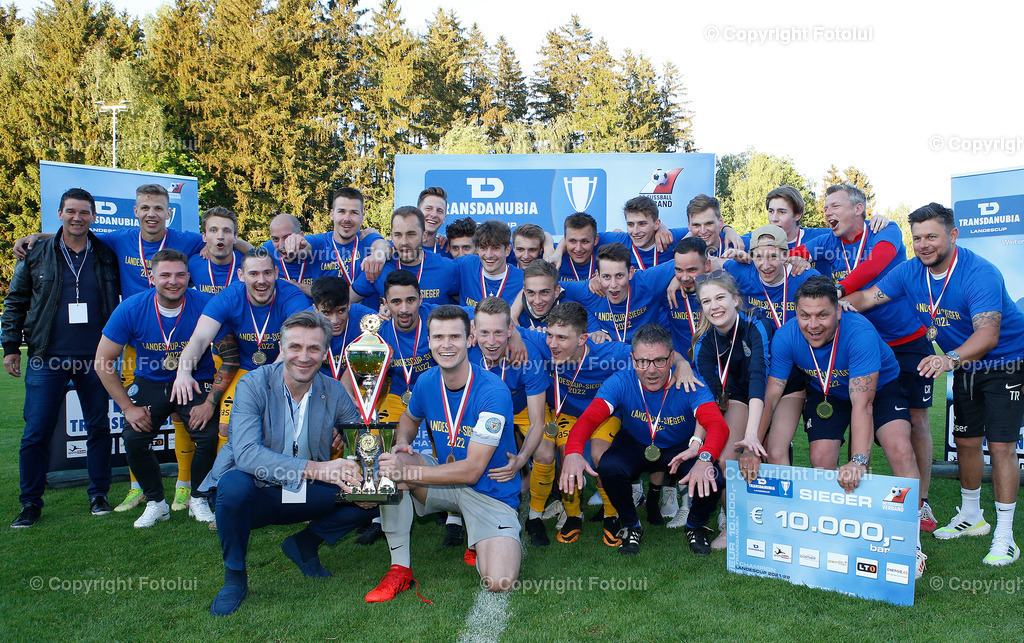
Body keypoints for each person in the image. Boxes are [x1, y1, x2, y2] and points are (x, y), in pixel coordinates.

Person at [845, 202, 1024, 565]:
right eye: (917, 238)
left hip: (1007, 361)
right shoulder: (911, 271)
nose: (923, 244)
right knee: (966, 441)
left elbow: (988, 335)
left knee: (1002, 447)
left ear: (953, 235)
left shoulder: (980, 273)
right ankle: (972, 516)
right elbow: (867, 297)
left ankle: (1005, 536)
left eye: (932, 236)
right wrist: (829, 305)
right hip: (967, 365)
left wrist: (949, 359)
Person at [739, 276, 927, 579]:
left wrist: (859, 460)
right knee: (821, 458)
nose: (813, 324)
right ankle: (836, 531)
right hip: (829, 393)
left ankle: (912, 543)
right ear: (795, 313)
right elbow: (771, 396)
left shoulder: (860, 332)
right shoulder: (786, 336)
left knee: (899, 447)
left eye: (822, 315)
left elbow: (863, 404)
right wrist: (753, 447)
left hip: (880, 391)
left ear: (839, 311)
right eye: (805, 315)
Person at [198, 310, 376, 615]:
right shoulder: (253, 384)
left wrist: (371, 471)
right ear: (281, 349)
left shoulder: (332, 390)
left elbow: (362, 438)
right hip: (254, 493)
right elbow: (247, 455)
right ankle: (235, 578)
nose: (303, 357)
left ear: (324, 353)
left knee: (374, 492)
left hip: (301, 490)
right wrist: (320, 469)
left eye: (313, 348)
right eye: (295, 347)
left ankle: (305, 545)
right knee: (233, 484)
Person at [793, 184, 937, 531]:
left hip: (906, 342)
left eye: (835, 206)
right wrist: (733, 238)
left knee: (914, 421)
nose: (827, 212)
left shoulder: (885, 230)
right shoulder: (826, 243)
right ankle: (856, 491)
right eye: (825, 207)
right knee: (858, 404)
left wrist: (838, 291)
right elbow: (791, 250)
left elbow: (876, 265)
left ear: (859, 209)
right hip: (857, 347)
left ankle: (921, 503)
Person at [369, 305, 521, 599]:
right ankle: (400, 569)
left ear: (470, 338)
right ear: (429, 340)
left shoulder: (493, 391)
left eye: (455, 336)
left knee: (500, 581)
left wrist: (409, 472)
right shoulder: (426, 381)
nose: (446, 345)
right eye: (439, 337)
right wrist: (402, 441)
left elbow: (473, 469)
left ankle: (479, 540)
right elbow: (409, 418)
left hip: (490, 493)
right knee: (393, 463)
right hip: (446, 484)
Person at [3, 188, 120, 527]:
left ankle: (98, 494)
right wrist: (11, 346)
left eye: (84, 212)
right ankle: (30, 502)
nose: (77, 217)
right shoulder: (36, 253)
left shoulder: (106, 253)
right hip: (46, 357)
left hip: (95, 359)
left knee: (99, 428)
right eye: (71, 211)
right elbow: (15, 302)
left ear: (94, 216)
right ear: (60, 213)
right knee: (36, 431)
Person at [559, 323, 729, 555]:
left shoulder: (690, 382)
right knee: (608, 465)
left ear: (671, 359)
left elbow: (717, 424)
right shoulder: (621, 380)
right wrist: (573, 452)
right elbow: (589, 419)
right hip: (636, 443)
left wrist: (705, 457)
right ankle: (631, 526)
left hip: (679, 449)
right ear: (632, 359)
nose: (650, 370)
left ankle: (695, 526)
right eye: (642, 362)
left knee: (713, 477)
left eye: (659, 360)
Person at [95, 250, 227, 527]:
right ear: (151, 277)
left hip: (196, 380)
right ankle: (157, 502)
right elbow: (102, 361)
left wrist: (210, 402)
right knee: (133, 438)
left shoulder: (207, 304)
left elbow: (230, 355)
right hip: (151, 381)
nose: (173, 281)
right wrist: (128, 408)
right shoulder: (131, 307)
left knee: (208, 435)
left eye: (180, 274)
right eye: (165, 275)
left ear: (189, 277)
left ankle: (198, 498)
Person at [171, 249, 311, 437]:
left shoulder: (292, 297)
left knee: (281, 427)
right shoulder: (229, 297)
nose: (261, 280)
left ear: (276, 273)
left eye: (267, 273)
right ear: (241, 276)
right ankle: (227, 467)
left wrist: (268, 382)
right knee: (226, 428)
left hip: (284, 369)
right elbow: (200, 339)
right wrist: (183, 372)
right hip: (244, 369)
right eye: (253, 273)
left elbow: (296, 344)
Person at [724, 225, 820, 466]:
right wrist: (675, 281)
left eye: (773, 256)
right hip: (755, 371)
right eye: (758, 256)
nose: (765, 264)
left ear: (786, 256)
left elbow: (831, 300)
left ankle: (782, 501)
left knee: (775, 450)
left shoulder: (804, 277)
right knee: (749, 448)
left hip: (791, 374)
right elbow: (705, 268)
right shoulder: (741, 272)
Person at [691, 270, 769, 549]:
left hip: (775, 391)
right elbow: (708, 398)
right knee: (725, 460)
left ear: (736, 300)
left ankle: (778, 520)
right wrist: (697, 442)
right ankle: (733, 522)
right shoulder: (704, 342)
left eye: (720, 297)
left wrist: (752, 436)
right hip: (737, 396)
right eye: (706, 301)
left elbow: (760, 377)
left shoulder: (756, 324)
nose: (714, 306)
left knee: (776, 454)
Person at [470, 298, 550, 546]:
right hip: (483, 412)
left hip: (522, 409)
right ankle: (457, 515)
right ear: (472, 330)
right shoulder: (464, 350)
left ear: (510, 331)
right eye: (484, 332)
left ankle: (535, 516)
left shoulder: (528, 355)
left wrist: (523, 458)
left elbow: (538, 421)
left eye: (498, 333)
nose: (491, 342)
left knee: (546, 453)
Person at [560, 243, 672, 343]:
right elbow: (550, 285)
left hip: (648, 355)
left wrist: (677, 278)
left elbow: (682, 261)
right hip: (614, 360)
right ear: (597, 276)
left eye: (619, 276)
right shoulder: (590, 289)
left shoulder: (646, 281)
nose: (613, 284)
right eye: (606, 277)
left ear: (631, 272)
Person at [282, 187, 391, 286]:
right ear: (332, 214)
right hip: (326, 307)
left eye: (353, 213)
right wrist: (295, 243)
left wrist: (378, 255)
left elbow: (383, 245)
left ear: (362, 217)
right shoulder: (320, 242)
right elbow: (304, 249)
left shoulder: (366, 239)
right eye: (341, 212)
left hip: (362, 307)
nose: (347, 218)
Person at [350, 206, 457, 306]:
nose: (404, 242)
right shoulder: (379, 268)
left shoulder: (447, 268)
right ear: (391, 236)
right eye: (398, 235)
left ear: (424, 236)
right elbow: (345, 301)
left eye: (411, 235)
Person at [310, 276, 377, 381]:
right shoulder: (305, 324)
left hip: (359, 384)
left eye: (341, 311)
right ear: (315, 309)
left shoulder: (368, 319)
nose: (335, 321)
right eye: (327, 313)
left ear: (349, 304)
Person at [453, 220, 523, 307]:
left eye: (495, 248)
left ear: (507, 250)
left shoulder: (523, 281)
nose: (489, 255)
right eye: (483, 248)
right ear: (477, 249)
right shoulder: (466, 265)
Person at [190, 207, 245, 296]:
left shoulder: (247, 264)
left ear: (235, 238)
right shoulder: (193, 264)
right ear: (204, 237)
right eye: (213, 230)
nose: (220, 236)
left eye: (227, 231)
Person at [261, 213, 315, 295]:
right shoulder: (268, 249)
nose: (281, 245)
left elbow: (330, 296)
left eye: (287, 238)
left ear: (301, 236)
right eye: (275, 239)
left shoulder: (319, 249)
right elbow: (249, 251)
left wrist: (296, 286)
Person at [418, 186, 450, 256]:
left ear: (444, 218)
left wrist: (451, 241)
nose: (434, 215)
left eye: (439, 211)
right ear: (417, 212)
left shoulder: (449, 250)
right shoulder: (396, 248)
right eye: (428, 208)